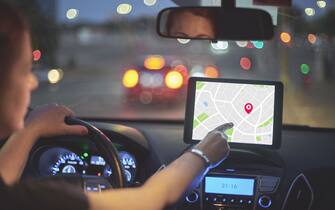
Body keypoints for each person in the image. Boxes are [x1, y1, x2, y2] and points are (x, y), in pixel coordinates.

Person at [0, 2, 233, 210]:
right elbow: (149, 199)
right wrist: (203, 153)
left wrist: (30, 130)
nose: (32, 81)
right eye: (24, 71)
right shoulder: (36, 199)